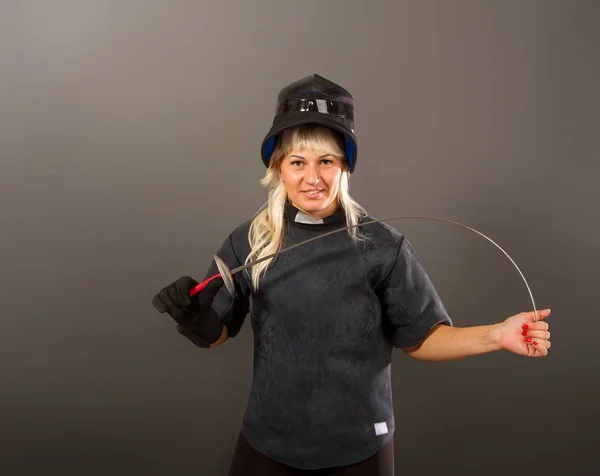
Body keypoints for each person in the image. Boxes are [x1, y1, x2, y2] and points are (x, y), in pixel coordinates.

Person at [152, 74, 552, 475]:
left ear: (345, 165)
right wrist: (194, 319)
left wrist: (497, 335)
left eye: (326, 161)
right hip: (269, 442)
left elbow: (423, 339)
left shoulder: (384, 246)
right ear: (279, 168)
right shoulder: (250, 241)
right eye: (298, 162)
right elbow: (216, 334)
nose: (313, 178)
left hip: (360, 447)